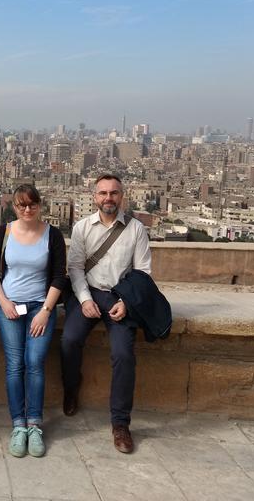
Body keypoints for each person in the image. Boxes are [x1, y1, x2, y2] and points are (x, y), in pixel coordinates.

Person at [61, 174, 152, 454]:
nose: (108, 198)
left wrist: (126, 302)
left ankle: (121, 423)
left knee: (124, 354)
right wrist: (85, 299)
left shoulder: (136, 229)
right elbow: (75, 268)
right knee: (69, 340)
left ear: (122, 196)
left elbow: (143, 272)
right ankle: (71, 387)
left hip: (120, 296)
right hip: (88, 293)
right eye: (103, 193)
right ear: (95, 196)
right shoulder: (82, 227)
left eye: (113, 193)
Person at [0, 184, 67, 458]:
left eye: (32, 204)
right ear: (15, 207)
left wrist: (46, 310)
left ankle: (34, 423)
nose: (27, 209)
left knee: (34, 363)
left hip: (40, 307)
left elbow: (59, 275)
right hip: (9, 305)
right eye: (22, 205)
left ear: (40, 205)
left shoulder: (52, 235)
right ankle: (18, 424)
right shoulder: (5, 232)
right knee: (15, 363)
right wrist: (5, 302)